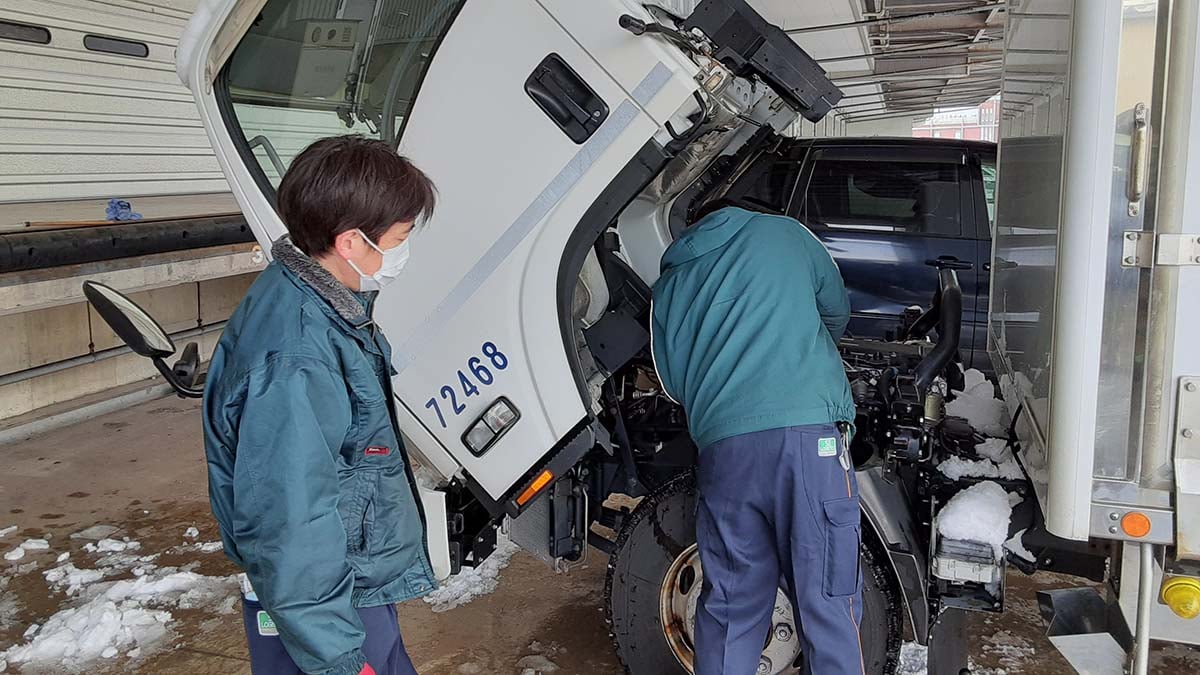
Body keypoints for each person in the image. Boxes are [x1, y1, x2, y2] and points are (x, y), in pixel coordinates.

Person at [202, 136, 438, 675]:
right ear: (352, 242)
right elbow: (290, 519)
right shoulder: (299, 356)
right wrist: (337, 657)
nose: (403, 252)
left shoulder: (309, 298)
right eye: (399, 238)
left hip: (341, 580)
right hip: (332, 596)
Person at [650, 203, 864, 675]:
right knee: (828, 599)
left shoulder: (669, 281)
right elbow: (836, 313)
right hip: (808, 442)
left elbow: (671, 382)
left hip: (725, 452)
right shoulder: (786, 234)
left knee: (730, 606)